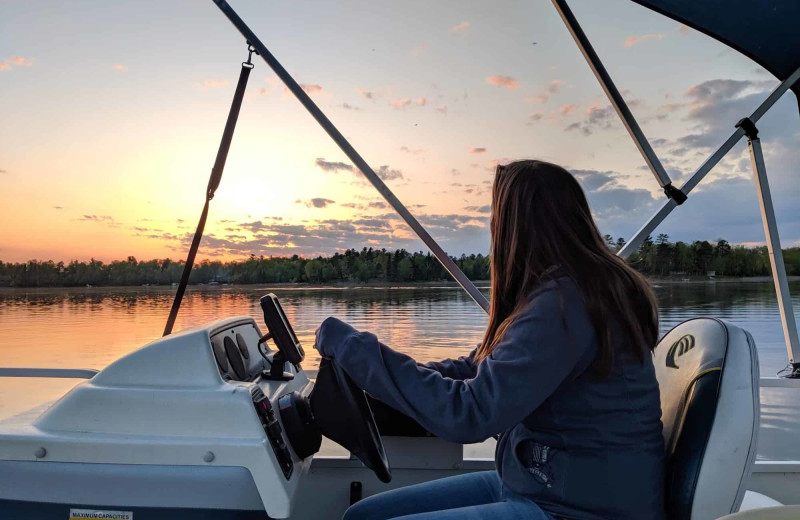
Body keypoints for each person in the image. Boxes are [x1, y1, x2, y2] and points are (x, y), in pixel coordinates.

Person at [314, 160, 665, 520]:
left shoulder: (566, 304)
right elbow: (478, 368)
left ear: (517, 225)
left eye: (497, 217)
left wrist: (351, 348)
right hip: (542, 486)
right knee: (363, 515)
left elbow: (470, 414)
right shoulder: (566, 292)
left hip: (579, 508)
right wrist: (386, 375)